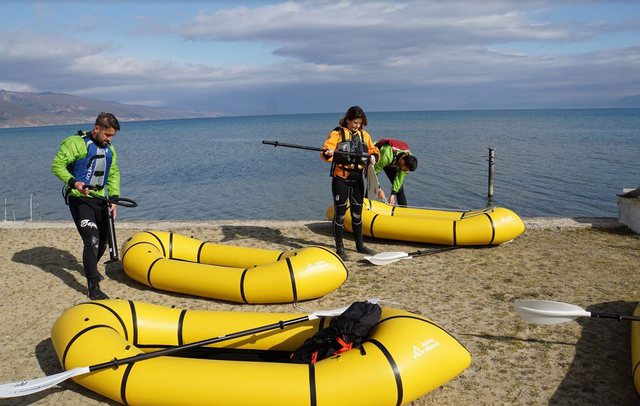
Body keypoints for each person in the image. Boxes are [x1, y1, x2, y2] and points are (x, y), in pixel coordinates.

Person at [51, 112, 121, 300]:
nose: (109, 139)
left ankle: (90, 267)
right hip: (79, 198)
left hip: (101, 199)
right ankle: (93, 287)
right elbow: (57, 165)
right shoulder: (75, 143)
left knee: (104, 242)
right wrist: (75, 183)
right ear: (96, 128)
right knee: (92, 240)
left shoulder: (109, 150)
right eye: (107, 135)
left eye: (112, 135)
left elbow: (113, 173)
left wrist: (113, 199)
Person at [321, 106, 380, 260]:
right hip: (341, 178)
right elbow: (325, 151)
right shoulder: (337, 134)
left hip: (358, 178)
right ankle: (339, 247)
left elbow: (374, 150)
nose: (357, 126)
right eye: (354, 122)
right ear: (348, 120)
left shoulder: (364, 135)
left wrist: (374, 157)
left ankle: (360, 246)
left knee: (357, 214)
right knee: (340, 215)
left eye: (359, 123)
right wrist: (328, 152)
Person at [373, 138, 418, 207]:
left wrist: (393, 194)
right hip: (378, 157)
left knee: (399, 189)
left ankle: (404, 211)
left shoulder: (408, 161)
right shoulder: (386, 155)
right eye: (405, 170)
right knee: (371, 184)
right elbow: (374, 172)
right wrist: (379, 189)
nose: (405, 171)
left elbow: (399, 180)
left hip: (392, 162)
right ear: (402, 162)